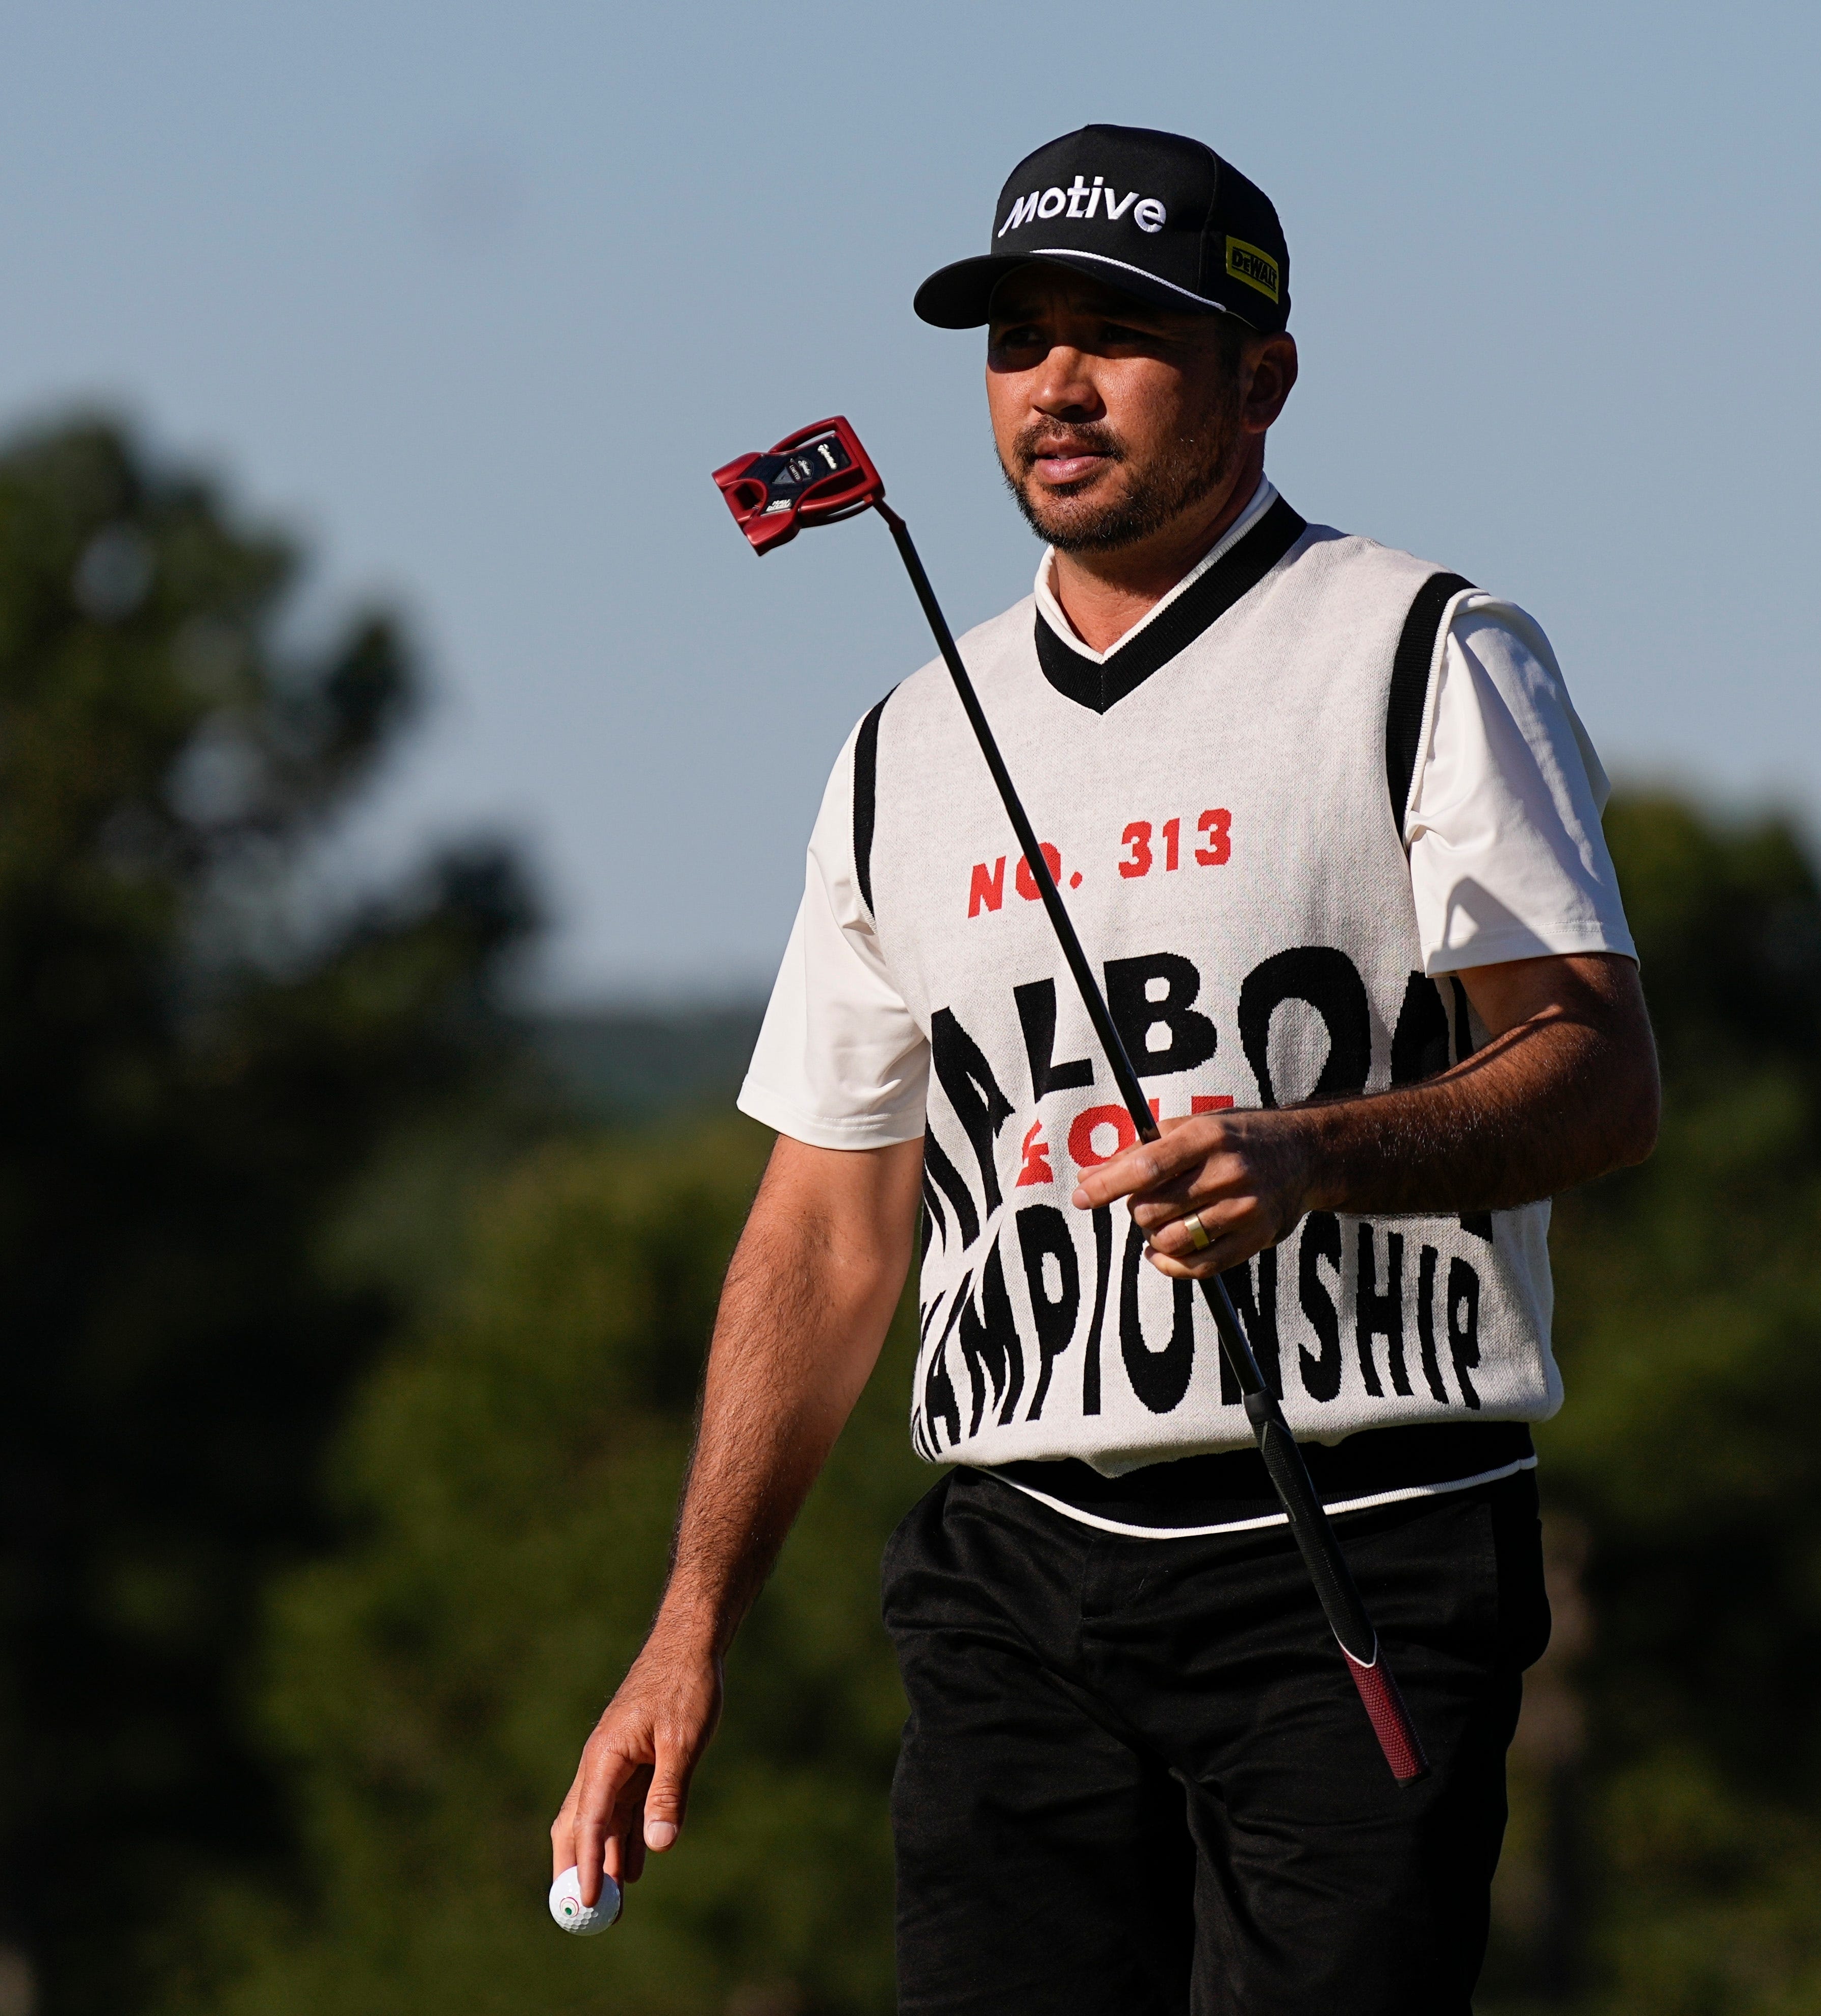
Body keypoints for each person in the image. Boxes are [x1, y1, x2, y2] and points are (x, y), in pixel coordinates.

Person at [556, 123, 1659, 2014]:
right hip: (1011, 1576)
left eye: (1118, 333)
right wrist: (685, 1628)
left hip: (1362, 1547)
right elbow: (828, 1231)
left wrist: (1316, 1157)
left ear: (1263, 375)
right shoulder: (906, 740)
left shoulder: (1421, 650)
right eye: (1013, 340)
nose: (1053, 385)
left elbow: (1598, 1074)